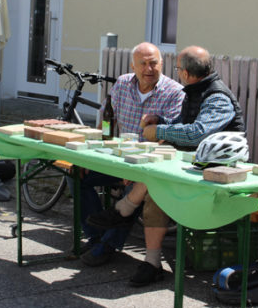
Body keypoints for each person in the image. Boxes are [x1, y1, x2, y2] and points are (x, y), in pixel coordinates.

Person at [87, 46, 245, 286]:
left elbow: (197, 133)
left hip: (221, 170)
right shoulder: (195, 91)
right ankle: (145, 251)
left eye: (178, 68)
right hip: (196, 164)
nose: (176, 72)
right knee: (154, 181)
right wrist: (161, 121)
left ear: (187, 73)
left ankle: (128, 217)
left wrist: (158, 129)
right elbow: (183, 124)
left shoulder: (217, 97)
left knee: (156, 184)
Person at [78, 42, 185, 266]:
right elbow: (106, 121)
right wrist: (90, 155)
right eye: (143, 64)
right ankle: (96, 235)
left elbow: (169, 137)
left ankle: (107, 246)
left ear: (162, 64)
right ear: (133, 66)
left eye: (153, 63)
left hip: (147, 165)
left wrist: (136, 168)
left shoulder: (175, 93)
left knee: (136, 189)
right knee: (77, 173)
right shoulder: (123, 83)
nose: (149, 69)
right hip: (117, 159)